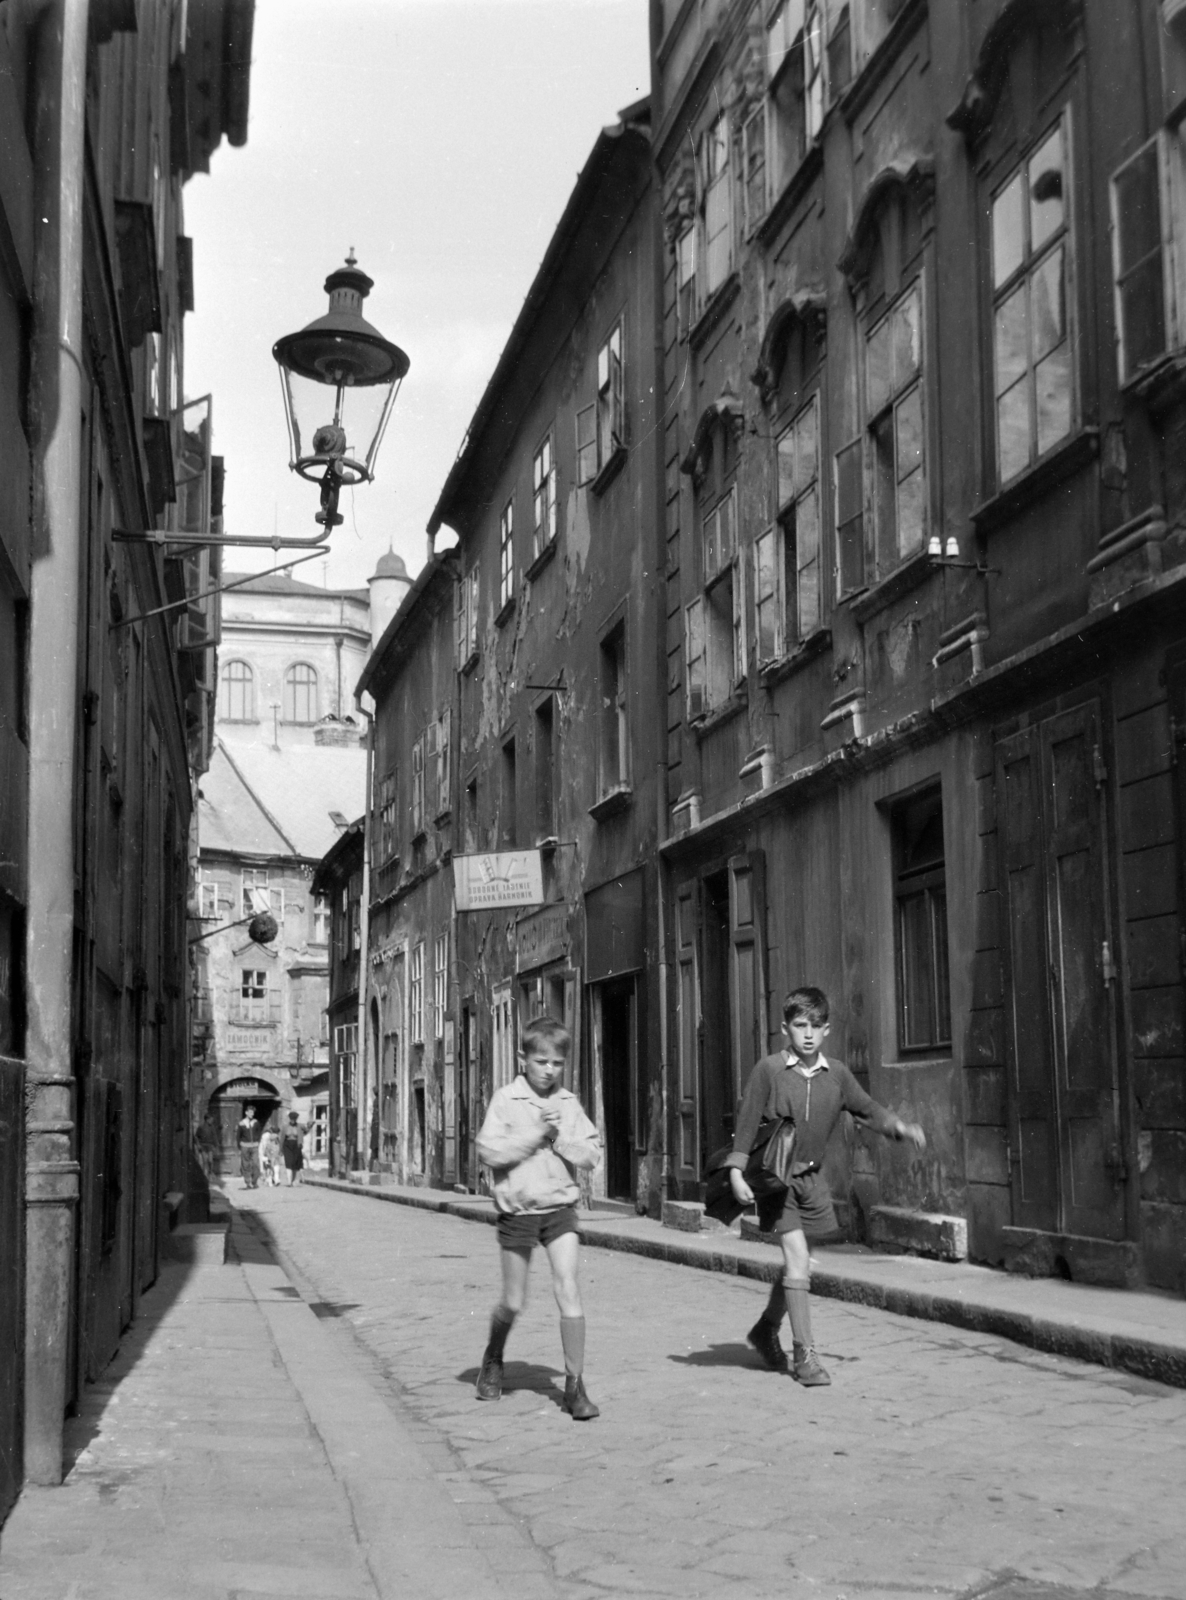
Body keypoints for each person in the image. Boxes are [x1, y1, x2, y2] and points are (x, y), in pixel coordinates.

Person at [726, 985, 926, 1388]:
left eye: (816, 1026)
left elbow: (866, 1109)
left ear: (828, 1030)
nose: (808, 1034)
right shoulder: (769, 1071)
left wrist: (899, 1128)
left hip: (812, 1182)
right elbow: (747, 1124)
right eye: (800, 1025)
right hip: (776, 1181)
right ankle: (805, 1356)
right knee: (798, 1258)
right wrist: (735, 1170)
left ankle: (766, 1329)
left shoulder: (837, 1074)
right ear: (786, 1029)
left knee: (796, 1265)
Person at [474, 1015, 602, 1420]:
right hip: (518, 1212)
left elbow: (591, 1155)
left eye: (557, 1063)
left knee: (568, 1288)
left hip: (560, 1210)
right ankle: (493, 1357)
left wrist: (559, 1140)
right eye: (541, 1061)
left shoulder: (568, 1103)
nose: (549, 1070)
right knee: (514, 1300)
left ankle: (575, 1385)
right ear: (522, 1059)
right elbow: (489, 1152)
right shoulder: (506, 1100)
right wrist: (532, 1137)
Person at [236, 1104, 262, 1189]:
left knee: (255, 1163)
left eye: (253, 1112)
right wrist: (239, 1146)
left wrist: (258, 1141)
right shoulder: (241, 1123)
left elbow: (259, 1133)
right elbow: (238, 1136)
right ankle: (248, 1182)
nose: (252, 1114)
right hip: (245, 1146)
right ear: (246, 1113)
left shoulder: (256, 1122)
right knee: (245, 1164)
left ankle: (254, 1182)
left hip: (254, 1146)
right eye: (250, 1112)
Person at [281, 1111, 307, 1185]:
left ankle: (294, 1180)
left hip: (297, 1145)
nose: (293, 1120)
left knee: (295, 1162)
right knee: (288, 1162)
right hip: (287, 1145)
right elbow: (282, 1138)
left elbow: (306, 1131)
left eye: (294, 1119)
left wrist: (309, 1127)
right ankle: (289, 1181)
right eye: (292, 1119)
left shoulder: (300, 1126)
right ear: (290, 1118)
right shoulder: (285, 1127)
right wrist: (280, 1149)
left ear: (296, 1119)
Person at [194, 1114, 218, 1180]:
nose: (212, 1121)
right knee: (205, 1161)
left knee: (210, 1160)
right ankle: (204, 1176)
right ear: (207, 1120)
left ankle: (210, 1172)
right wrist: (198, 1145)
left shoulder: (212, 1127)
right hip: (203, 1146)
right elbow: (196, 1136)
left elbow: (214, 1136)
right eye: (210, 1120)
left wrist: (216, 1145)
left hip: (210, 1146)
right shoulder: (201, 1127)